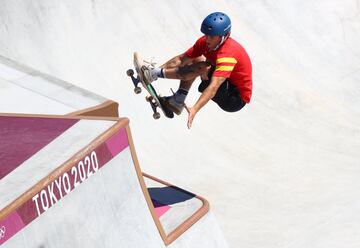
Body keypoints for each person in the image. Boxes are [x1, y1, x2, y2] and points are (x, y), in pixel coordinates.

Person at [140, 12, 252, 129]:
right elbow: (181, 59)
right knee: (195, 58)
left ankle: (157, 78)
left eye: (211, 37)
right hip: (227, 84)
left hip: (235, 98)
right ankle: (177, 99)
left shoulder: (228, 55)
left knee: (203, 66)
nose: (207, 39)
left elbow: (213, 87)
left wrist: (194, 109)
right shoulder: (204, 42)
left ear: (223, 37)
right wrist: (153, 72)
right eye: (206, 34)